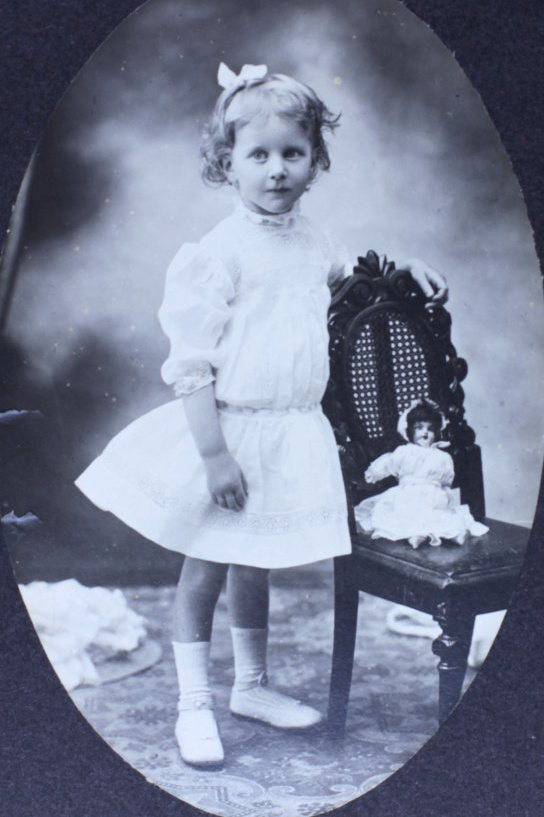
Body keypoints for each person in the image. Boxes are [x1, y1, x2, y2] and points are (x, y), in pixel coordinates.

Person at [76, 63, 448, 767]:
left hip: (292, 431)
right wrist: (214, 456)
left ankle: (251, 684)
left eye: (292, 154)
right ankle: (194, 704)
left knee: (258, 565)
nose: (276, 170)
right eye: (258, 154)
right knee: (208, 569)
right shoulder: (217, 254)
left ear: (315, 162)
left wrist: (407, 272)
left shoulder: (315, 241)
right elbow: (191, 364)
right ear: (227, 163)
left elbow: (356, 282)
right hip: (231, 428)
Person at [355, 398, 489, 548]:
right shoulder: (404, 451)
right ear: (410, 430)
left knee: (443, 516)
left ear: (437, 432)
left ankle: (455, 534)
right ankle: (416, 535)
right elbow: (389, 462)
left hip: (434, 496)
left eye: (430, 429)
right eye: (419, 427)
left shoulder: (442, 456)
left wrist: (445, 492)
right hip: (408, 493)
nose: (425, 432)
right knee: (403, 513)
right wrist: (374, 474)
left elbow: (446, 480)